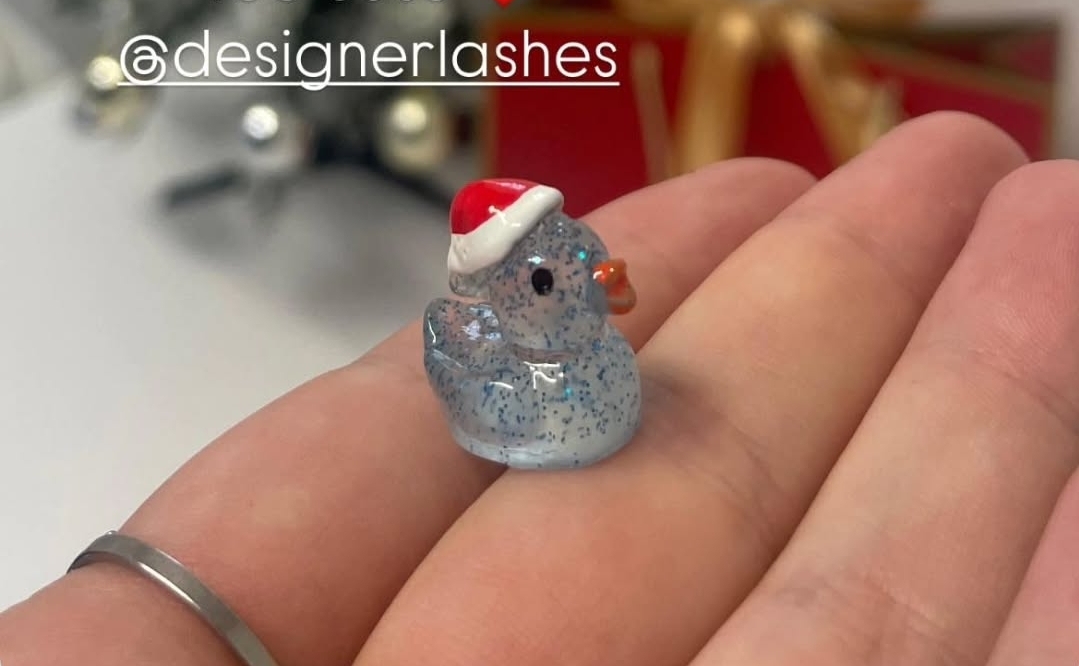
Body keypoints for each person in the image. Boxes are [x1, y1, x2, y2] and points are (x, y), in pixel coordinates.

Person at [2, 111, 1076, 666]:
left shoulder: (578, 289)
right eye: (560, 270)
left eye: (580, 254)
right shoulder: (497, 355)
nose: (595, 272)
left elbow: (606, 289)